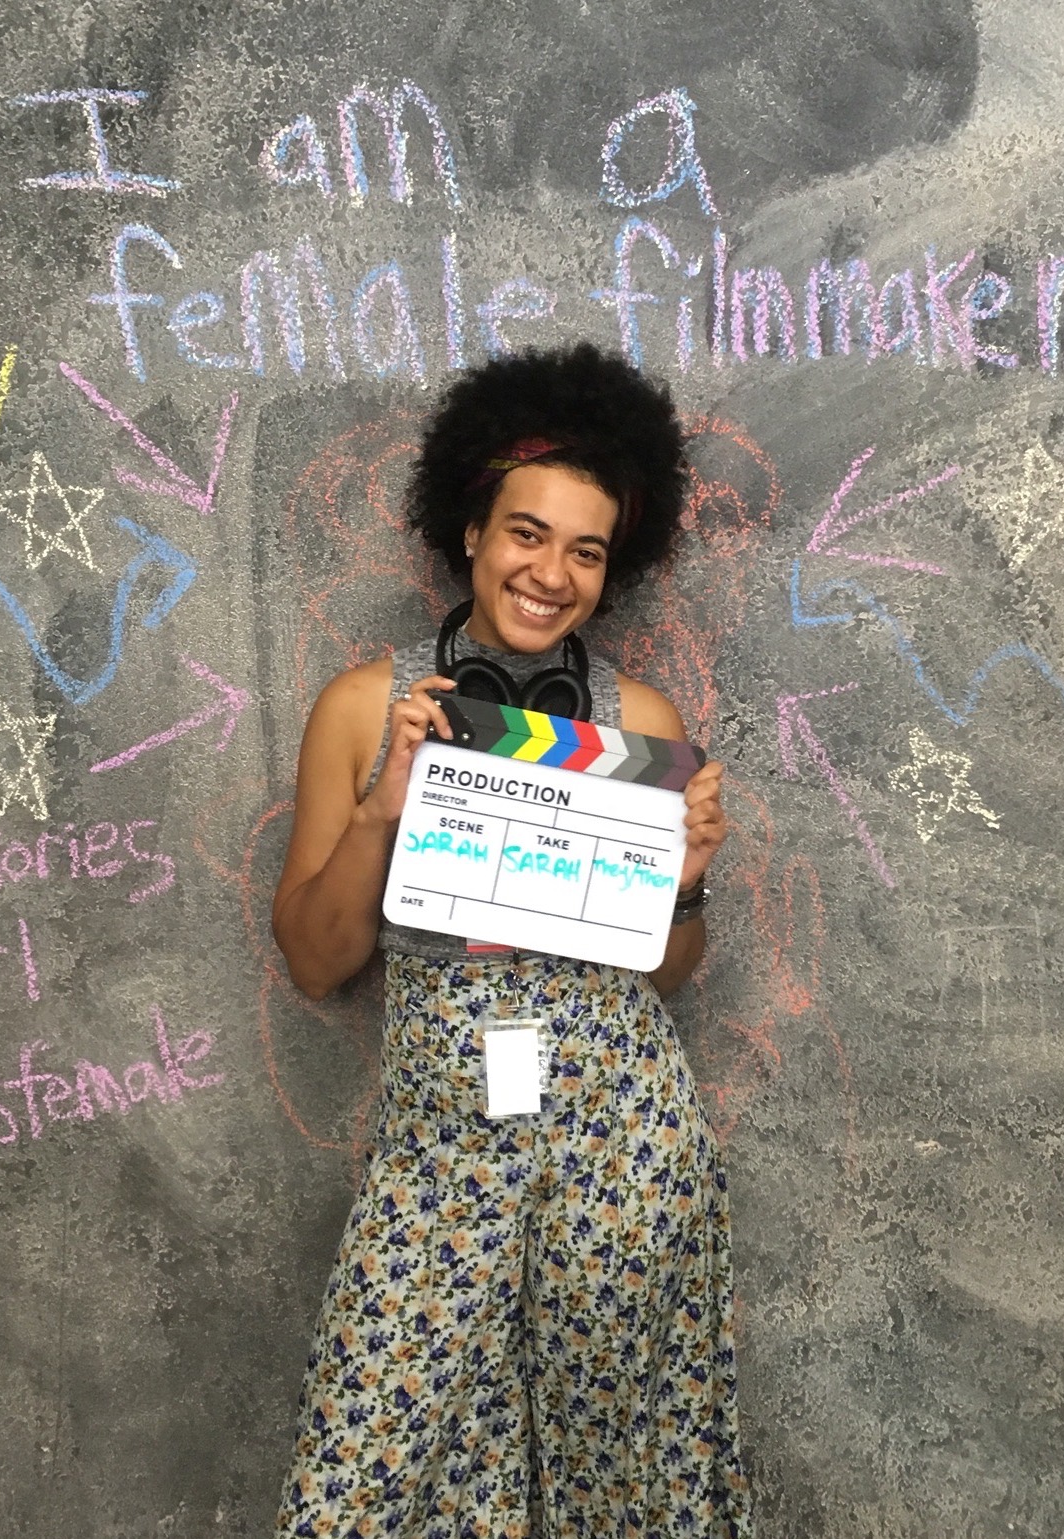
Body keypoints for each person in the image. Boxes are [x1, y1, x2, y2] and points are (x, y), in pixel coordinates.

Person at [271, 342, 753, 1538]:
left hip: (618, 1143)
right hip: (441, 1156)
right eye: (526, 534)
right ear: (472, 531)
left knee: (621, 1480)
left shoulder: (639, 723)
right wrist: (384, 810)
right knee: (366, 1482)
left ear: (611, 569)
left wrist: (682, 888)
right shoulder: (360, 710)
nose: (551, 572)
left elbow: (663, 974)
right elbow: (316, 963)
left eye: (585, 550)